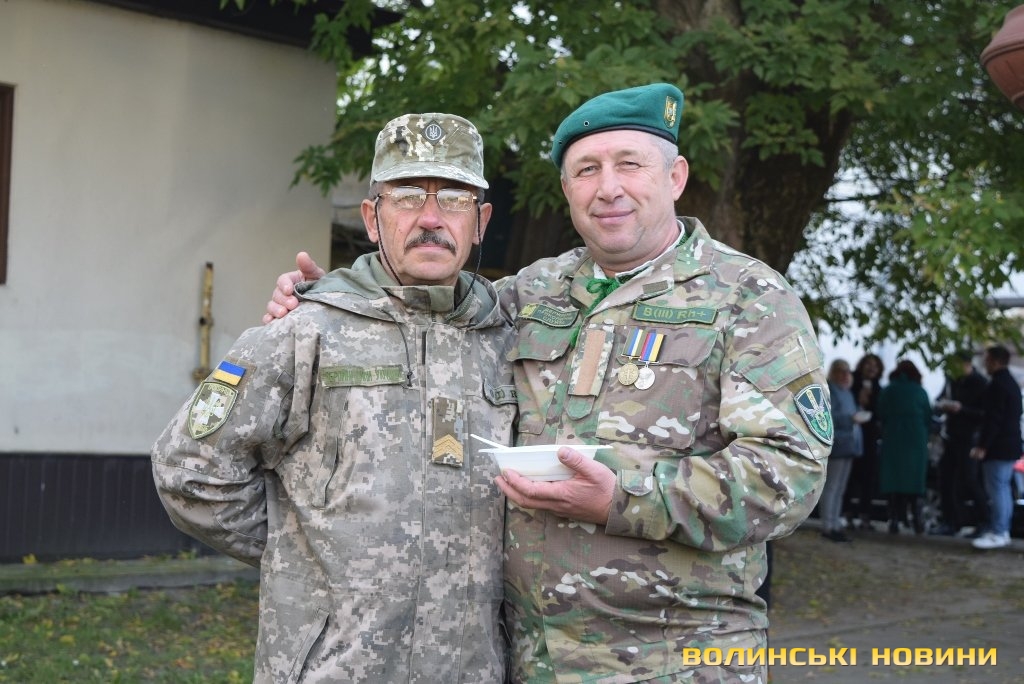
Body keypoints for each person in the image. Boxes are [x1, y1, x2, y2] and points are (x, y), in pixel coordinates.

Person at [266, 84, 831, 683]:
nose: (607, 188)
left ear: (675, 177)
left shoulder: (748, 299)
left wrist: (625, 498)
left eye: (629, 164)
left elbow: (791, 473)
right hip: (531, 660)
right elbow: (423, 310)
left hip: (678, 660)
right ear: (566, 190)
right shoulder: (530, 294)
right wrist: (335, 302)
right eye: (586, 170)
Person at [152, 113, 518, 682]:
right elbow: (190, 471)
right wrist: (306, 554)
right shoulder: (304, 332)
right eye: (406, 197)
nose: (430, 218)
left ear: (480, 222)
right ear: (372, 218)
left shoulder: (509, 340)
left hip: (472, 668)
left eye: (453, 199)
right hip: (336, 668)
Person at [970, 344, 1023, 550]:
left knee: (997, 489)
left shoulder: (998, 385)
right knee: (1002, 489)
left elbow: (993, 419)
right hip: (1009, 444)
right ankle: (1002, 530)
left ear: (995, 361)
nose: (985, 363)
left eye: (988, 359)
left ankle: (999, 530)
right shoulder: (1010, 384)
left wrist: (983, 445)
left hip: (999, 446)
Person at [932, 350, 987, 536]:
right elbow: (940, 399)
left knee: (969, 479)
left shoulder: (980, 383)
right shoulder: (952, 380)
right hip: (951, 436)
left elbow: (984, 414)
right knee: (945, 478)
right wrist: (942, 406)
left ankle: (983, 520)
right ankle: (950, 520)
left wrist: (962, 410)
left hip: (969, 437)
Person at [877, 359, 933, 534]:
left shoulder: (889, 390)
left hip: (893, 438)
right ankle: (917, 520)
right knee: (915, 482)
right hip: (916, 440)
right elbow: (928, 416)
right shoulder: (920, 391)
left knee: (893, 479)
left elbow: (881, 412)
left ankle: (894, 519)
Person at [820, 359, 864, 542]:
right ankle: (827, 525)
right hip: (837, 442)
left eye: (847, 371)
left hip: (850, 443)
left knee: (840, 488)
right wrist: (850, 418)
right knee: (832, 486)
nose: (845, 375)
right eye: (841, 371)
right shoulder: (830, 391)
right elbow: (828, 416)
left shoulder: (847, 392)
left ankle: (835, 523)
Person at [844, 353, 884, 529]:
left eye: (875, 365)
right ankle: (846, 513)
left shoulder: (878, 388)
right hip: (852, 434)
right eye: (868, 364)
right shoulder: (852, 383)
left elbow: (879, 411)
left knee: (868, 477)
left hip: (870, 436)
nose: (871, 368)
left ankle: (864, 515)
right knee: (850, 476)